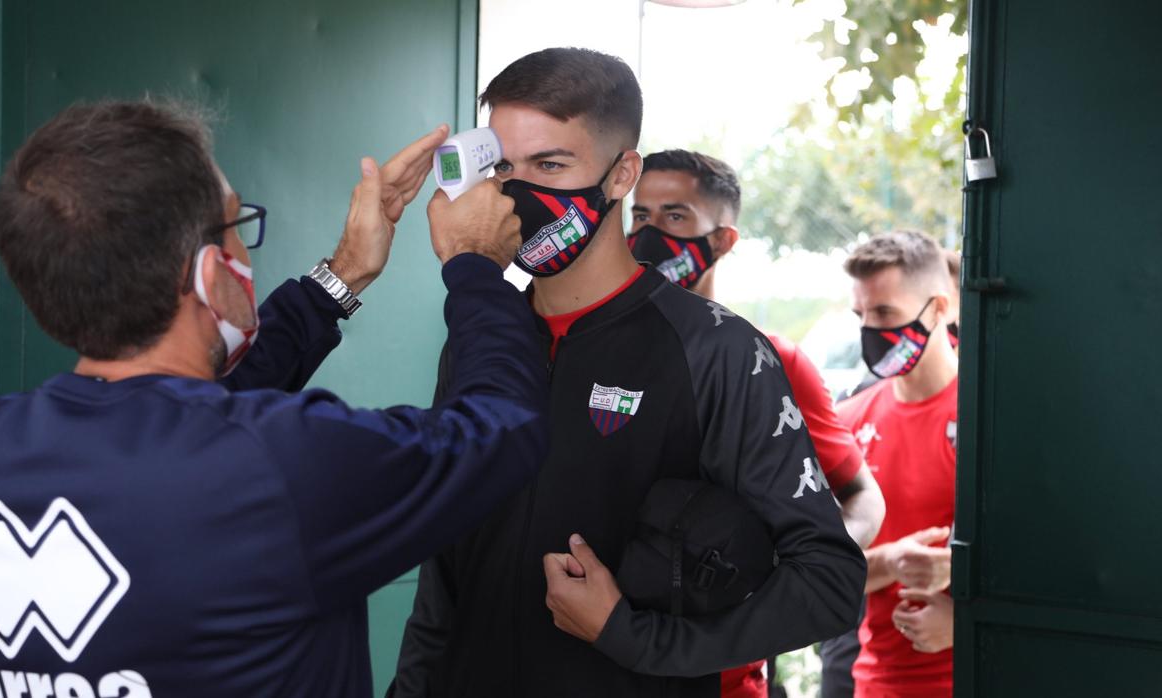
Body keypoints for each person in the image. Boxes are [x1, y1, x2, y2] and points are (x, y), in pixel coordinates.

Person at [0, 100, 549, 698]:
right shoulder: (278, 461)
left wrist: (346, 271)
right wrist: (475, 264)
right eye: (236, 225)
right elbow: (503, 428)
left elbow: (193, 422)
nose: (243, 248)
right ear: (206, 270)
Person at [389, 48, 866, 698]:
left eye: (550, 165)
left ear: (622, 176)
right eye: (502, 166)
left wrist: (633, 636)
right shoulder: (483, 333)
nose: (516, 192)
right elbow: (445, 565)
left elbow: (828, 585)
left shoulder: (718, 351)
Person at [627, 149, 887, 698]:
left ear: (723, 241)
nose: (650, 236)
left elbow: (862, 496)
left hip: (725, 677)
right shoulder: (597, 350)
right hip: (604, 657)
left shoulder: (769, 358)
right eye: (640, 217)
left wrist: (778, 583)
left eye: (675, 217)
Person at [833, 231, 958, 698]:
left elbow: (1049, 559)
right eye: (860, 315)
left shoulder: (990, 418)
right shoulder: (847, 422)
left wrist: (965, 616)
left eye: (884, 313)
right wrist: (893, 560)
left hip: (982, 673)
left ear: (939, 308)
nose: (870, 329)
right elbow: (820, 567)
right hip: (879, 683)